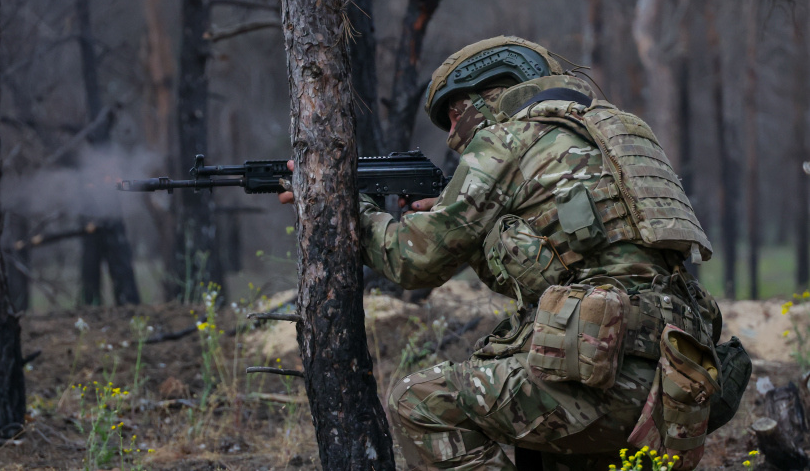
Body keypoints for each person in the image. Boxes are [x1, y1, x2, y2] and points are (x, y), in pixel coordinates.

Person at [280, 36, 722, 470]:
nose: (453, 137)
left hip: (604, 378)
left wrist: (346, 208)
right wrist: (477, 230)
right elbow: (562, 265)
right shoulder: (620, 138)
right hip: (681, 385)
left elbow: (414, 261)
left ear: (490, 96)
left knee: (421, 402)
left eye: (454, 116)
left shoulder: (509, 139)